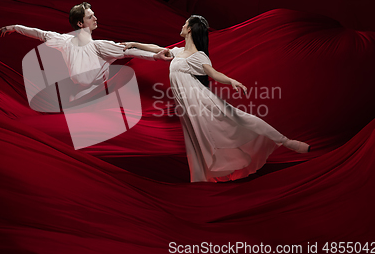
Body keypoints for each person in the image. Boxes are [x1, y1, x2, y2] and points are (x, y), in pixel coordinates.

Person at [122, 15, 310, 183]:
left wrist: (231, 81)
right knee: (197, 138)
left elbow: (213, 73)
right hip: (187, 106)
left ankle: (286, 141)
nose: (182, 26)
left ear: (189, 29)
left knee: (237, 117)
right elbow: (158, 49)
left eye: (185, 24)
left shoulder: (199, 56)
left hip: (200, 99)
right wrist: (134, 44)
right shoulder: (179, 52)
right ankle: (203, 178)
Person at [0, 2, 171, 101]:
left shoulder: (100, 46)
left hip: (98, 96)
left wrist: (155, 56)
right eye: (90, 16)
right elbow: (38, 33)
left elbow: (129, 51)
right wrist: (14, 27)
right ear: (80, 24)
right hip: (77, 96)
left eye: (94, 15)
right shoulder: (63, 40)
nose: (95, 18)